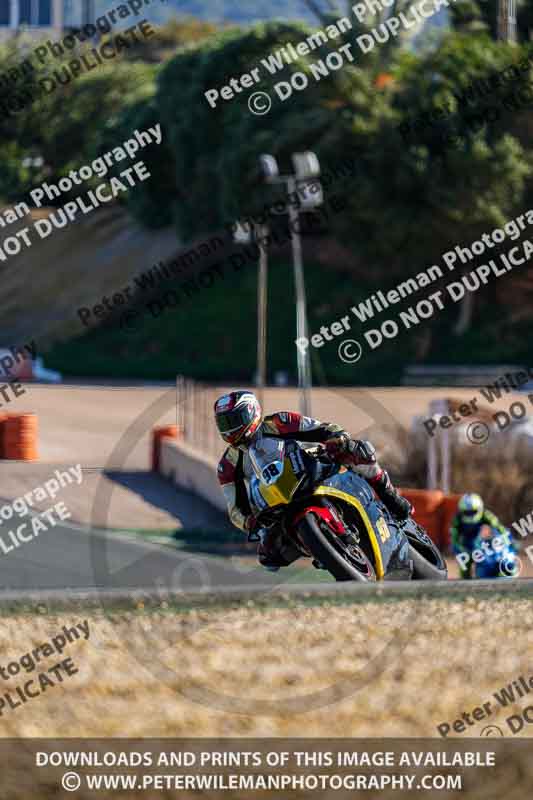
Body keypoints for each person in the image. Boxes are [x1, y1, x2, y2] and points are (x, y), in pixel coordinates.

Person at [215, 390, 412, 570]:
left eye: (234, 420)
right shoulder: (227, 465)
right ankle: (321, 549)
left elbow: (322, 428)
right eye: (224, 423)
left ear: (252, 412)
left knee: (360, 450)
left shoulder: (279, 422)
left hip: (310, 466)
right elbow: (235, 509)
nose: (230, 428)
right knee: (268, 557)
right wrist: (249, 522)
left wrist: (338, 438)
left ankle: (390, 497)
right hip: (275, 502)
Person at [450, 493, 508, 579]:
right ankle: (464, 583)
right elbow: (454, 538)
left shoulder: (486, 515)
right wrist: (460, 548)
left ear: (480, 509)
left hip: (479, 542)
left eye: (473, 511)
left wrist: (505, 539)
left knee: (485, 559)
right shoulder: (457, 519)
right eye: (467, 512)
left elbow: (499, 527)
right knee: (464, 562)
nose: (470, 515)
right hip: (464, 544)